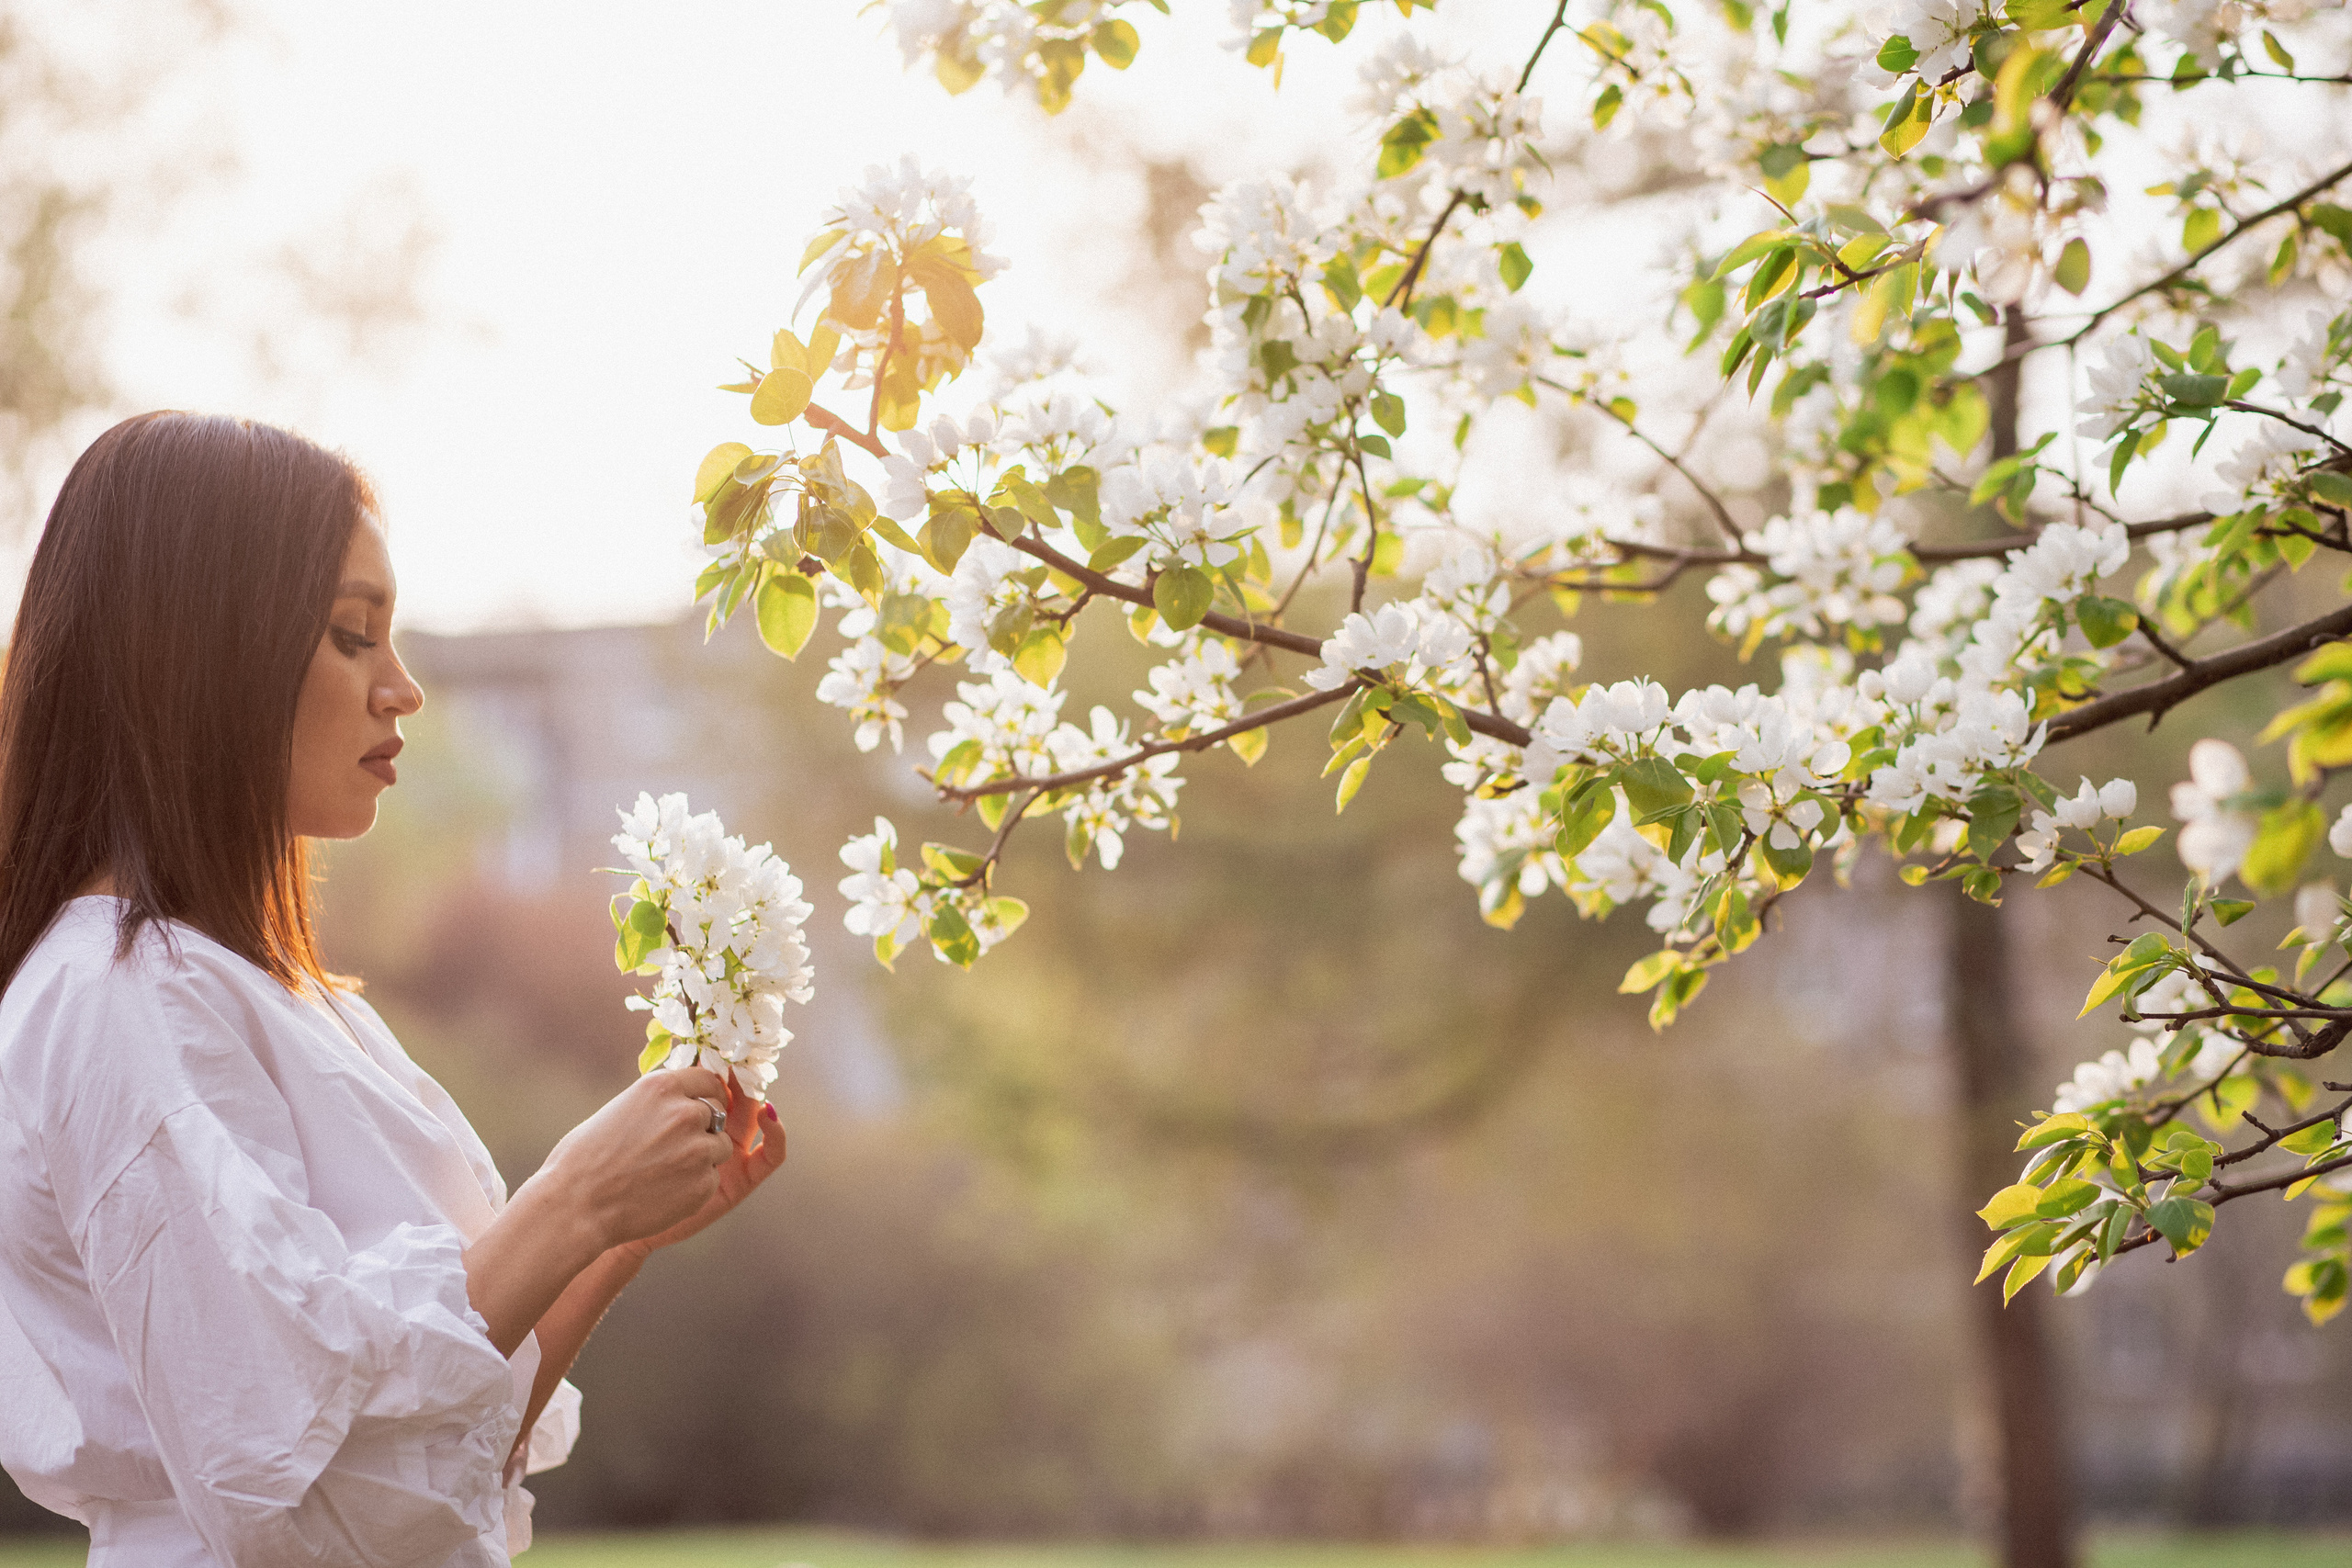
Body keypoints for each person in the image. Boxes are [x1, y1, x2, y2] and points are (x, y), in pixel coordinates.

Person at [0, 412, 787, 1567]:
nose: (404, 689)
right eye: (351, 635)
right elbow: (275, 1480)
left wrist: (615, 1233)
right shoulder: (117, 1001)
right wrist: (567, 1198)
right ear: (200, 652)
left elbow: (420, 1470)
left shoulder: (272, 998)